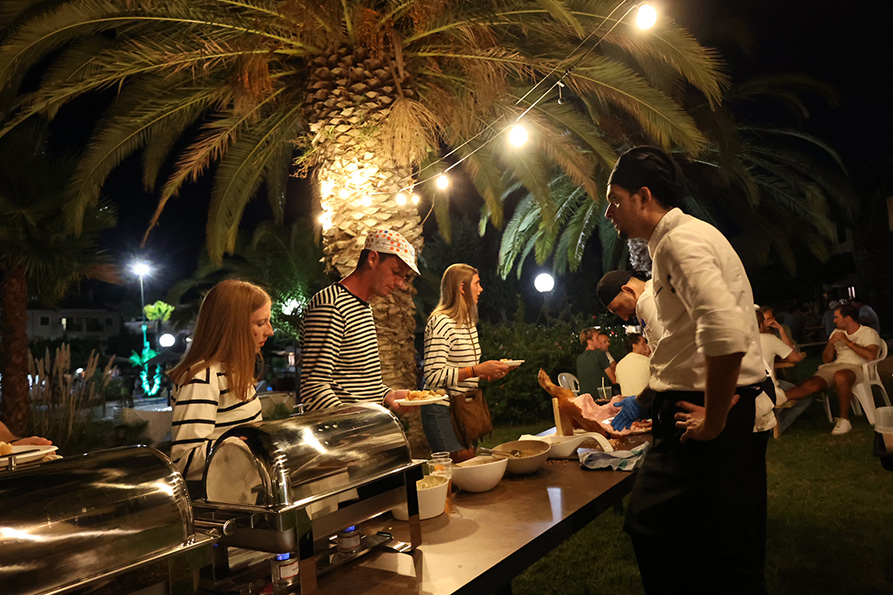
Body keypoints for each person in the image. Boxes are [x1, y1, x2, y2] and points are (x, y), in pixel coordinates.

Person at [604, 145, 769, 593]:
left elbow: (726, 330)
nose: (609, 213)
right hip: (695, 406)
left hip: (704, 415)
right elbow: (688, 342)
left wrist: (715, 417)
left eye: (614, 200)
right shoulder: (671, 243)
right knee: (703, 543)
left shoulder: (680, 241)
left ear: (643, 196)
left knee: (692, 542)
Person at [300, 229, 418, 413]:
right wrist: (354, 423)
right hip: (346, 429)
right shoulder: (332, 304)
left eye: (403, 277)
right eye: (396, 272)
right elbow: (314, 387)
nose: (399, 283)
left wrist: (387, 395)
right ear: (373, 259)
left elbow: (354, 381)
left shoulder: (362, 305)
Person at [169, 280, 274, 481]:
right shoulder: (203, 376)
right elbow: (185, 460)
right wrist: (249, 443)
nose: (270, 331)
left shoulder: (231, 370)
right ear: (234, 327)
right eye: (261, 323)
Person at [421, 264, 511, 462]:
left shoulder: (468, 322)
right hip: (443, 409)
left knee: (470, 465)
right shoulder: (441, 322)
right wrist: (475, 370)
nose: (481, 289)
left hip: (464, 408)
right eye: (477, 284)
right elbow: (433, 376)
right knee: (461, 466)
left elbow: (462, 369)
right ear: (462, 287)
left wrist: (486, 373)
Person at [783, 303, 881, 435]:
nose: (834, 321)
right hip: (836, 366)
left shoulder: (868, 332)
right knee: (812, 384)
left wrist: (847, 342)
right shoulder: (836, 332)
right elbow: (826, 359)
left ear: (848, 318)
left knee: (841, 376)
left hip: (859, 367)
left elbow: (871, 356)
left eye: (836, 317)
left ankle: (844, 420)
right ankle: (775, 399)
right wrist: (830, 344)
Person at [576, 328, 616, 396]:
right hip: (601, 397)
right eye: (597, 338)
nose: (599, 341)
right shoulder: (599, 354)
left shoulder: (579, 358)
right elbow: (614, 380)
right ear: (589, 341)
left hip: (585, 398)